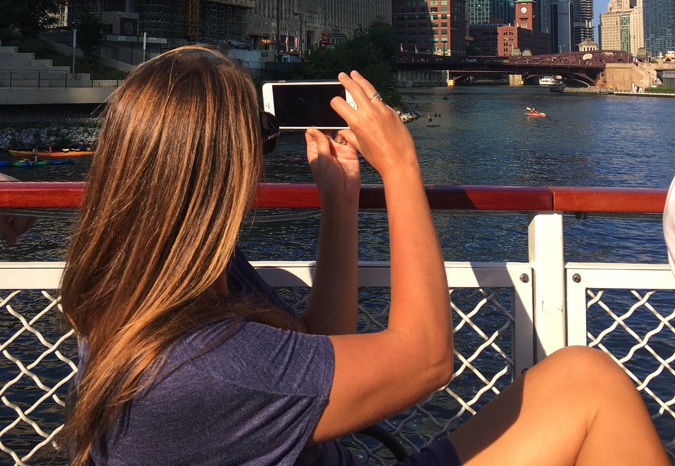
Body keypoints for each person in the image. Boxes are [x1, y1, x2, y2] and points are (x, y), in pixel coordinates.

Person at [59, 46, 667, 465]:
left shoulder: (153, 287)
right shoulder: (209, 364)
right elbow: (426, 359)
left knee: (584, 380)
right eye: (263, 140)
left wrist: (342, 202)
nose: (266, 155)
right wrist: (400, 165)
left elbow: (319, 339)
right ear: (225, 169)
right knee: (592, 386)